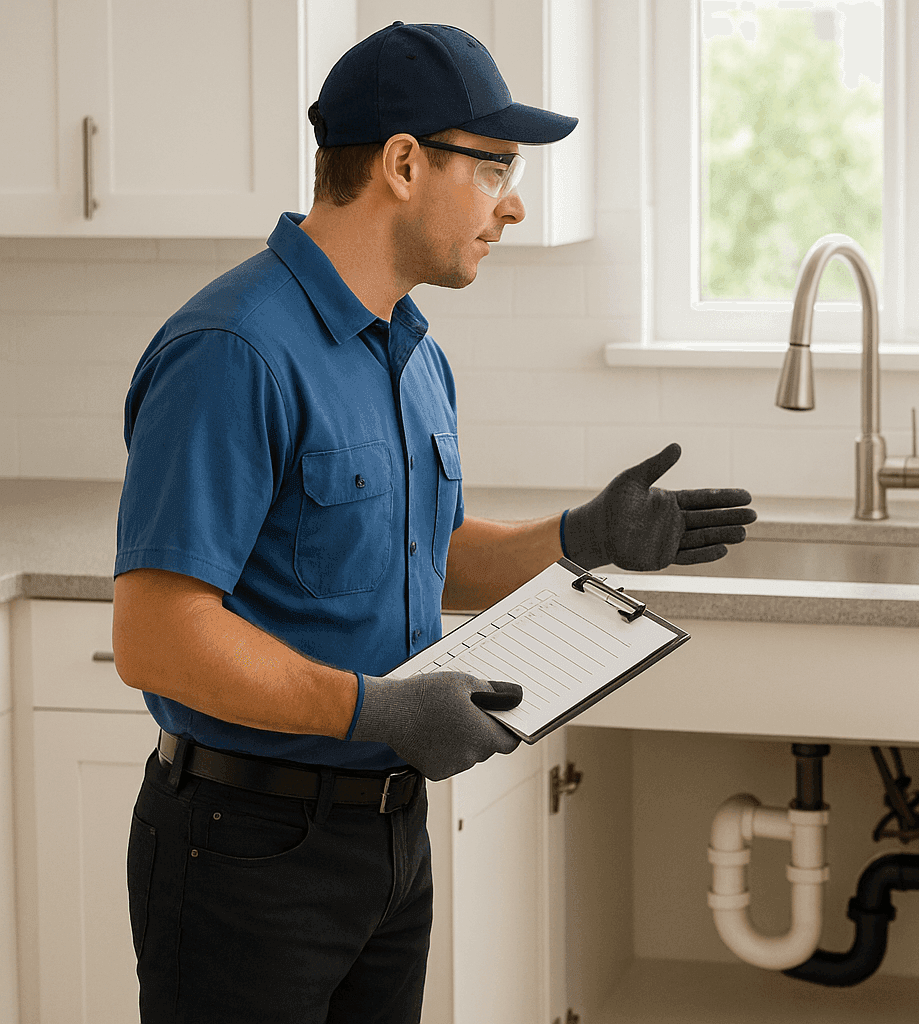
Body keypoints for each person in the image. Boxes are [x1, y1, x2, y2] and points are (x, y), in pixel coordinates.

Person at [113, 22, 755, 1023]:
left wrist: (582, 536)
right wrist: (379, 712)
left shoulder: (410, 352)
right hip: (245, 848)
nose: (514, 199)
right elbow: (156, 636)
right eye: (494, 164)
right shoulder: (233, 350)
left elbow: (429, 556)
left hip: (386, 839)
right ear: (404, 163)